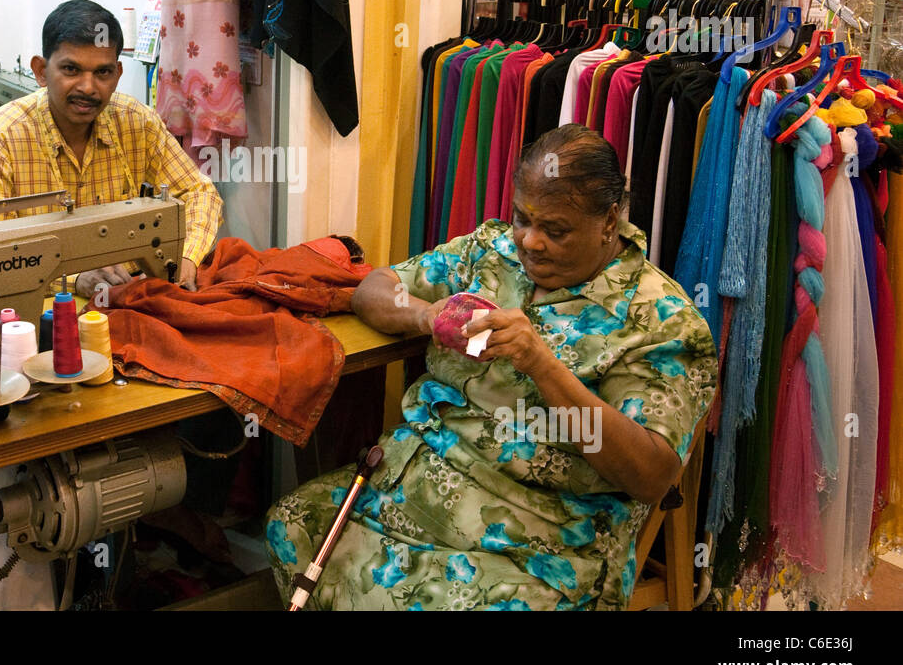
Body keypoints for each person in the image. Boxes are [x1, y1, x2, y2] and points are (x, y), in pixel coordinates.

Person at [265, 124, 717, 610]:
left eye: (555, 230)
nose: (531, 242)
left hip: (537, 537)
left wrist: (543, 365)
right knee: (292, 525)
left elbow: (650, 475)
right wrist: (425, 315)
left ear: (610, 221)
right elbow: (373, 289)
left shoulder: (660, 321)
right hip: (413, 483)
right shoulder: (491, 252)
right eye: (523, 218)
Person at [0, 0, 222, 292]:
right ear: (40, 71)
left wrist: (186, 257)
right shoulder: (5, 135)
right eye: (71, 69)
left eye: (102, 73)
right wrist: (73, 281)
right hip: (47, 305)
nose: (88, 87)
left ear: (117, 75)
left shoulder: (136, 121)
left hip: (130, 296)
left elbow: (199, 192)